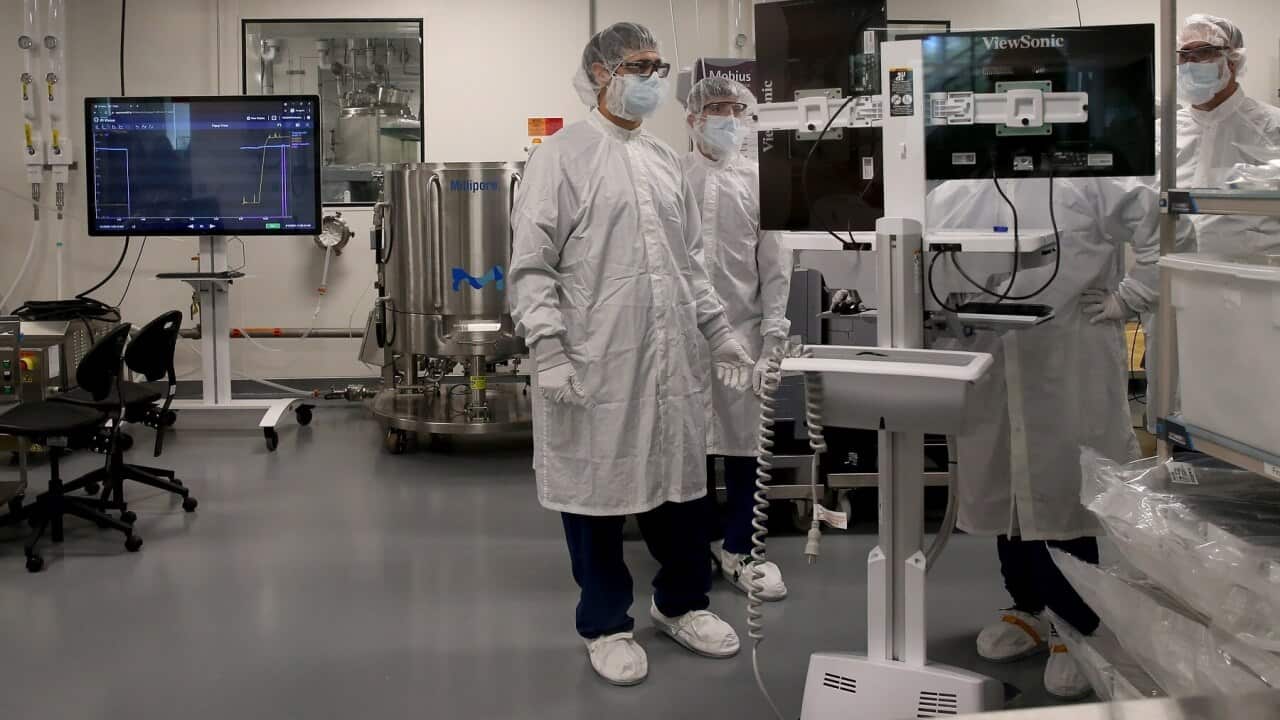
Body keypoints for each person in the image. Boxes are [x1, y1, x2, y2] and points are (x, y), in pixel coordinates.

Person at [508, 22, 756, 687]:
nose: (652, 77)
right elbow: (531, 266)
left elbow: (692, 264)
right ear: (600, 74)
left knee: (679, 488)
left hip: (671, 359)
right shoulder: (559, 157)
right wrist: (548, 345)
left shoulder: (666, 160)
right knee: (596, 494)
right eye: (638, 65)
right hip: (595, 360)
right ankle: (606, 622)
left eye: (656, 65)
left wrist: (721, 331)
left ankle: (682, 604)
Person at [928, 173, 1165, 699]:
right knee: (1005, 489)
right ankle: (1027, 609)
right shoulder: (953, 189)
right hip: (990, 358)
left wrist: (1133, 296)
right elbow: (928, 270)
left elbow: (1159, 220)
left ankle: (1075, 625)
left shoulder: (1092, 178)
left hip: (1066, 356)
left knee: (1062, 491)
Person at [682, 77, 792, 601]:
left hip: (743, 334)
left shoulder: (760, 182)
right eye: (714, 108)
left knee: (746, 444)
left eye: (733, 108)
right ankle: (693, 546)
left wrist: (773, 336)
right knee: (689, 444)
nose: (726, 117)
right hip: (680, 338)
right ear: (692, 119)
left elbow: (775, 267)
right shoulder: (673, 178)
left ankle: (742, 548)